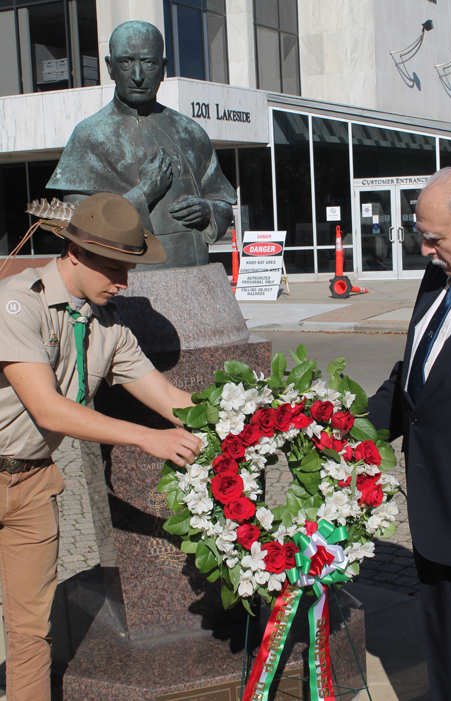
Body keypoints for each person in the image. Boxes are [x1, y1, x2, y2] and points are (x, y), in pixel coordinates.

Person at [0, 192, 202, 701]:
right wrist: (146, 438)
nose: (124, 281)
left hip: (31, 485)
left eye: (129, 267)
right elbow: (47, 408)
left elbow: (174, 401)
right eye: (114, 266)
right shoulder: (15, 303)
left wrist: (257, 419)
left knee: (29, 632)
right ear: (75, 252)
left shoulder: (109, 330)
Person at [368, 167, 451, 700]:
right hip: (435, 515)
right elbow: (415, 374)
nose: (424, 250)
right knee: (450, 671)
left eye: (434, 237)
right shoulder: (439, 276)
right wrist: (355, 429)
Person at [47, 20, 236, 270]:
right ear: (110, 67)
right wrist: (144, 193)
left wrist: (208, 210)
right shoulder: (88, 136)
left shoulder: (190, 131)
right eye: (126, 62)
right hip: (128, 280)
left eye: (149, 62)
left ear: (164, 68)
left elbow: (223, 202)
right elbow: (82, 223)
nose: (138, 76)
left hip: (196, 276)